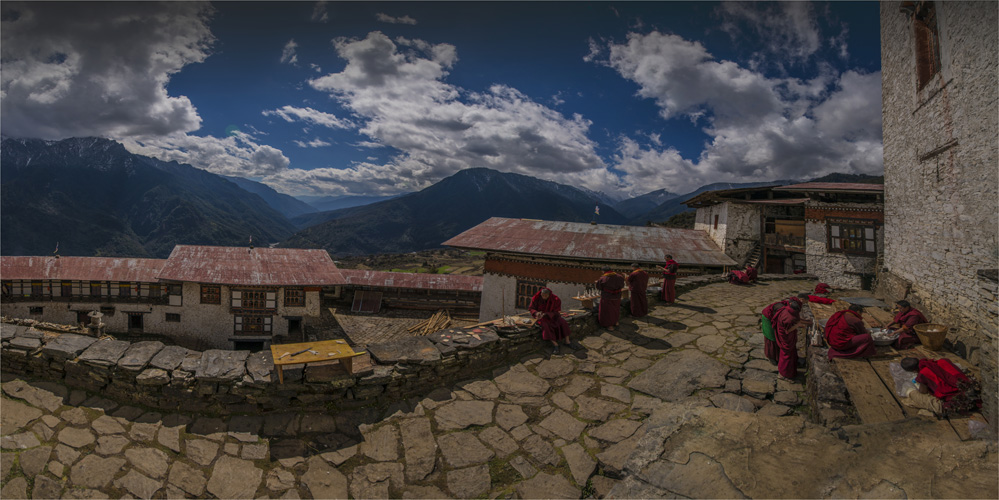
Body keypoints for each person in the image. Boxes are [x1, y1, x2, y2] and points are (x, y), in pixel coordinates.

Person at [899, 356, 981, 415]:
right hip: (969, 389)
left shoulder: (923, 374)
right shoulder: (943, 361)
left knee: (913, 394)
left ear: (912, 370)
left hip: (955, 400)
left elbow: (923, 391)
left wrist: (920, 383)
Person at [528, 288, 577, 355]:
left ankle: (567, 341)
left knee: (563, 323)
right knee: (546, 326)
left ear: (549, 295)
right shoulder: (536, 298)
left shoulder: (555, 299)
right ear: (540, 294)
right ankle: (555, 344)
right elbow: (531, 308)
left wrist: (547, 314)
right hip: (541, 318)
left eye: (546, 296)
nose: (544, 297)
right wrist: (536, 313)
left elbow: (556, 311)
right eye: (542, 295)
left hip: (553, 316)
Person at [774, 299, 802, 380]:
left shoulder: (785, 309)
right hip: (786, 338)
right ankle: (784, 374)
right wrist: (797, 325)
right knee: (787, 356)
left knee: (788, 354)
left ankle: (786, 371)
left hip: (783, 333)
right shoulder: (789, 318)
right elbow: (787, 331)